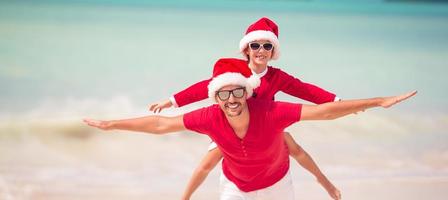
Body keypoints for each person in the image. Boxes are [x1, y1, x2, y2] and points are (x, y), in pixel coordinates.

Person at [84, 58, 416, 200]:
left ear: (247, 91)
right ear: (216, 97)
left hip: (276, 184)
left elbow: (324, 113)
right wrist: (113, 124)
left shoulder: (271, 113)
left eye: (237, 91)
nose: (231, 100)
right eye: (223, 94)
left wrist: (377, 101)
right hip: (236, 187)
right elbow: (161, 124)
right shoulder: (209, 117)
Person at [149, 17, 341, 199]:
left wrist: (334, 100)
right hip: (230, 126)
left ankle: (323, 181)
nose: (261, 50)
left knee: (293, 147)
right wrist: (172, 101)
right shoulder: (233, 71)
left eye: (267, 46)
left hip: (265, 126)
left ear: (273, 51)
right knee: (208, 162)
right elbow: (204, 87)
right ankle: (186, 196)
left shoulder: (277, 77)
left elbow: (304, 89)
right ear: (247, 49)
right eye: (255, 45)